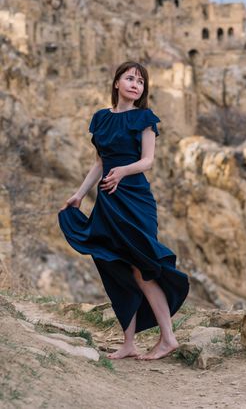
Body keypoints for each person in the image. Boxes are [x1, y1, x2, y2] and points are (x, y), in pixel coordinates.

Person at [58, 61, 190, 360]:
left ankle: (168, 338)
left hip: (135, 199)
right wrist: (79, 195)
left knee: (142, 268)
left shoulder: (144, 118)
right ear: (116, 82)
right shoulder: (101, 118)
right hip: (108, 201)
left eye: (141, 81)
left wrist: (121, 172)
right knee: (115, 267)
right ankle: (129, 343)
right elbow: (99, 163)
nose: (135, 84)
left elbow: (147, 161)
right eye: (129, 78)